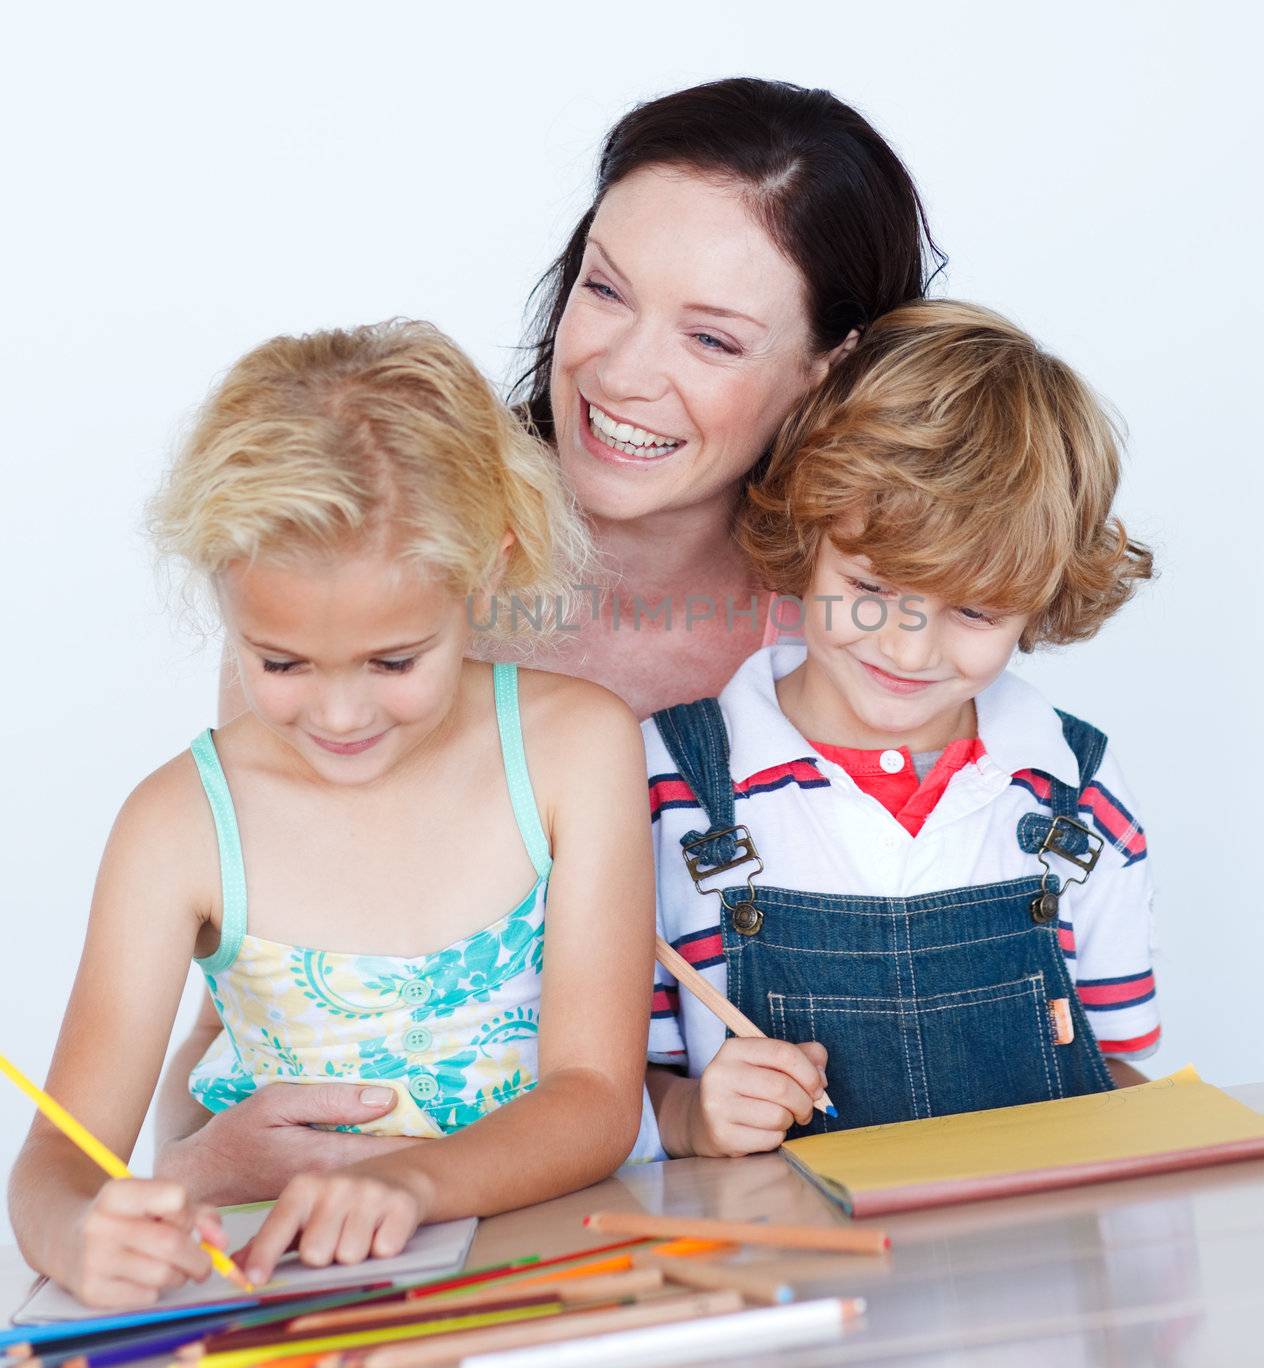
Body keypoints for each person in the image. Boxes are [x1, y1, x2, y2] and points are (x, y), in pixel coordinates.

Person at [162, 76, 946, 1202]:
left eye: (714, 338)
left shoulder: (863, 636)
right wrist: (198, 1168)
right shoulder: (384, 581)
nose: (622, 372)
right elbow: (233, 1034)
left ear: (830, 366)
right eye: (606, 290)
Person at [7, 322, 653, 1306]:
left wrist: (411, 1180)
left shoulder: (575, 749)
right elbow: (62, 1159)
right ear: (225, 596)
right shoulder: (175, 827)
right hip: (287, 1309)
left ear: (486, 568)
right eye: (282, 663)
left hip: (555, 1278)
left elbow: (597, 1099)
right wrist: (81, 1231)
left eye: (394, 661)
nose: (341, 715)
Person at [642, 301, 1158, 1159]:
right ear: (807, 534)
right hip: (792, 1270)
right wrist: (691, 1116)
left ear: (1040, 602)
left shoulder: (1085, 802)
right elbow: (620, 1084)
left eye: (974, 609)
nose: (910, 648)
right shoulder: (669, 788)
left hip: (1028, 1272)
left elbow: (1121, 1075)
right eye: (874, 588)